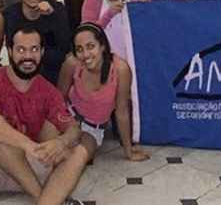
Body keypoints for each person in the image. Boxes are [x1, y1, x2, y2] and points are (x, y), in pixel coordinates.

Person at [0, 27, 89, 205]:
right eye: (21, 49)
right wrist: (28, 145)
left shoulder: (49, 91)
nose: (28, 56)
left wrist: (62, 142)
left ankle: (47, 202)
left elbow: (73, 129)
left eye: (34, 49)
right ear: (10, 51)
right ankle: (43, 198)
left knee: (78, 151)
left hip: (25, 168)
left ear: (42, 52)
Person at [57, 23, 151, 162]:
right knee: (54, 153)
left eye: (90, 46)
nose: (85, 54)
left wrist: (128, 150)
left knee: (77, 158)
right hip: (69, 118)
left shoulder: (120, 69)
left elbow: (122, 111)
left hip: (93, 129)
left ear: (103, 46)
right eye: (79, 49)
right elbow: (58, 99)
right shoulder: (72, 63)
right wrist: (64, 124)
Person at [3, 0, 72, 85]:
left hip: (52, 71)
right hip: (21, 70)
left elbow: (63, 51)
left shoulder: (58, 10)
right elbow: (13, 53)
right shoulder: (10, 14)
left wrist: (51, 17)